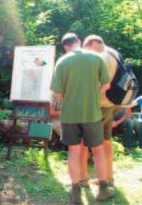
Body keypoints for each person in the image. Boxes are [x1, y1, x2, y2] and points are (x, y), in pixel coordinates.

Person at [50, 33, 114, 204]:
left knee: (74, 151)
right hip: (92, 113)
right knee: (98, 151)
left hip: (69, 115)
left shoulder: (62, 61)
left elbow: (56, 93)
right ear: (78, 41)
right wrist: (93, 93)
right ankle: (103, 189)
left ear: (65, 47)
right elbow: (106, 85)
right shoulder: (96, 57)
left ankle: (76, 191)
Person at [82, 35, 118, 187]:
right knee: (106, 141)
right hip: (113, 103)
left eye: (86, 49)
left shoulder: (100, 57)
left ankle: (82, 178)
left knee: (85, 142)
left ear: (92, 44)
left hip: (99, 104)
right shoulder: (114, 53)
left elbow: (97, 84)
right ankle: (109, 177)